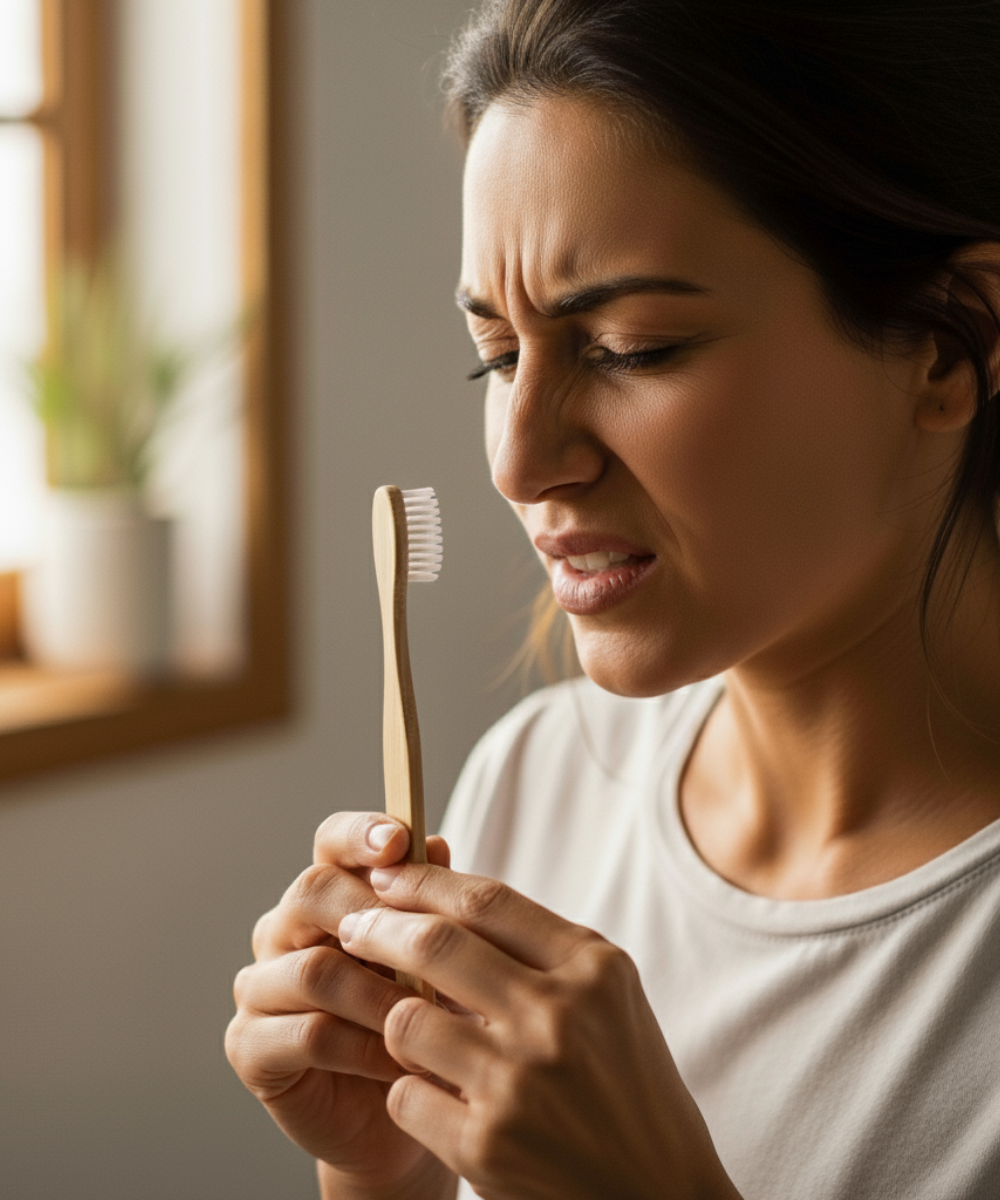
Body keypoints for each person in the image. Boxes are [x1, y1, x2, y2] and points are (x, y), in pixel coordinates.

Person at [225, 2, 1000, 1197]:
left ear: (952, 346)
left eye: (631, 346)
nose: (518, 461)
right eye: (496, 354)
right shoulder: (532, 789)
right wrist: (389, 1173)